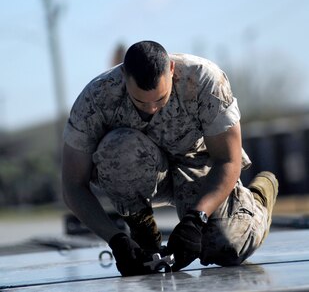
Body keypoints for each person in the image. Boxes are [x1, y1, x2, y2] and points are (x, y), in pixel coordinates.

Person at [62, 40, 278, 276]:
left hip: (198, 165)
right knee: (117, 148)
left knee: (225, 246)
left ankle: (258, 197)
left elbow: (228, 160)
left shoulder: (205, 80)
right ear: (123, 75)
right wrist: (116, 240)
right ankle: (143, 232)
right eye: (141, 102)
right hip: (142, 173)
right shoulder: (96, 99)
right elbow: (73, 185)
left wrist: (196, 220)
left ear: (172, 70)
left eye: (160, 99)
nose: (152, 108)